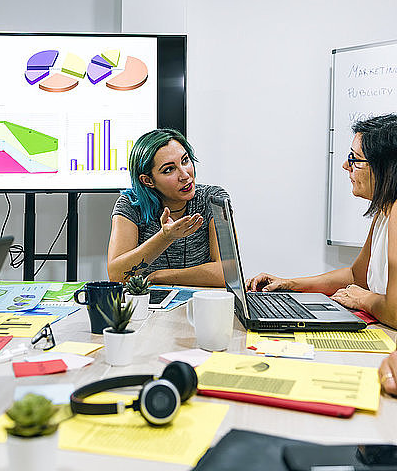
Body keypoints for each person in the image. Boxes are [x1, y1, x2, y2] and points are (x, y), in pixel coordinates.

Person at [246, 113, 397, 330]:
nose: (346, 165)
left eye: (355, 159)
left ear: (383, 167)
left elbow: (394, 311)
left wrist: (362, 299)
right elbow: (357, 277)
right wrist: (289, 284)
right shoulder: (383, 211)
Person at [108, 128, 229, 286]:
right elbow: (116, 275)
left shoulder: (212, 198)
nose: (185, 175)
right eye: (169, 169)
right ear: (147, 180)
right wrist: (165, 237)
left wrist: (158, 276)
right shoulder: (130, 204)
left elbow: (226, 273)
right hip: (149, 306)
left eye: (185, 161)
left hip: (204, 303)